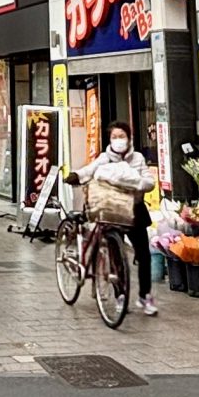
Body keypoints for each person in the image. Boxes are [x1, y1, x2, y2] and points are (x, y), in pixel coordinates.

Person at [76, 121, 158, 315]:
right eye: (115, 137)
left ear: (129, 138)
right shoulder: (104, 158)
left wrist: (137, 183)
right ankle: (120, 295)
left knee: (144, 255)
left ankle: (144, 296)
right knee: (116, 256)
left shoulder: (137, 158)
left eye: (122, 136)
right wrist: (75, 176)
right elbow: (88, 170)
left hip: (135, 210)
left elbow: (149, 181)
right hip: (112, 210)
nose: (118, 140)